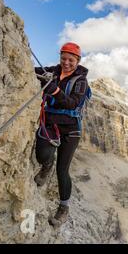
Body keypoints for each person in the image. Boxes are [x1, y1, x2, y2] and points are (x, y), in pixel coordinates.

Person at [34, 42, 89, 227]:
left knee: (62, 170)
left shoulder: (81, 80)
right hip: (50, 122)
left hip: (71, 129)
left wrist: (55, 90)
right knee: (42, 155)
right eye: (63, 58)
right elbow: (33, 70)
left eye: (71, 60)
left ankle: (64, 207)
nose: (66, 63)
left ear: (77, 61)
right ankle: (46, 165)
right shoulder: (54, 71)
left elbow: (73, 103)